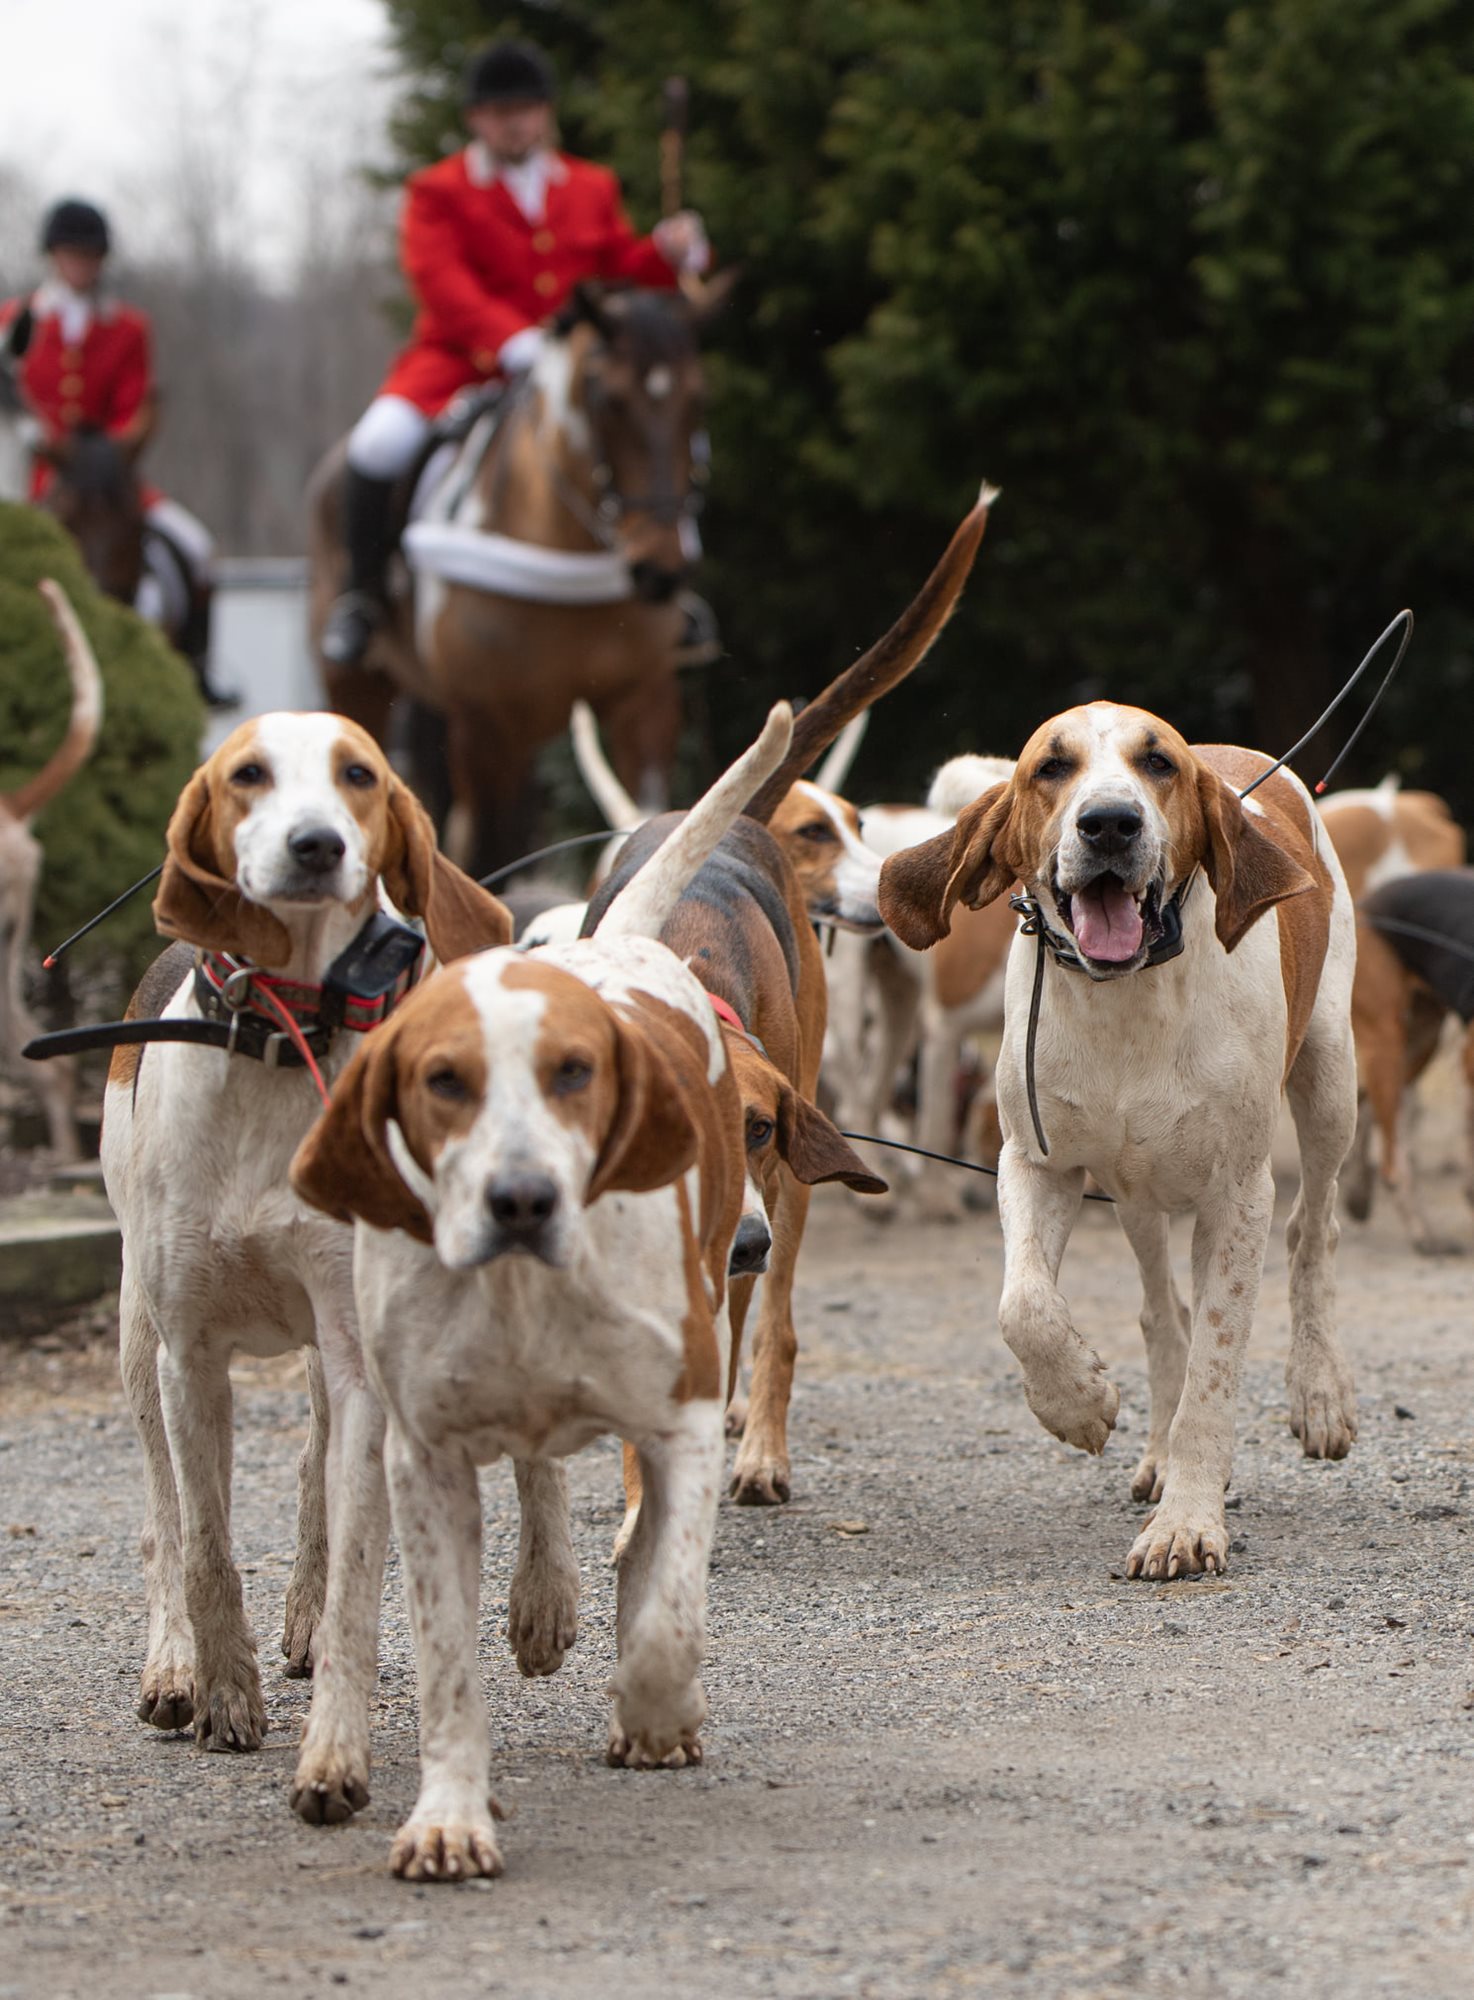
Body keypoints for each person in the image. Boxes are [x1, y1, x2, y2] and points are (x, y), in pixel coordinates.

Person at [321, 38, 712, 667]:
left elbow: (622, 265)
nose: (515, 122)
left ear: (546, 113)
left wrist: (668, 254)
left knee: (656, 434)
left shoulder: (590, 186)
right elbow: (441, 283)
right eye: (500, 112)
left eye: (526, 109)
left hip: (572, 366)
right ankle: (362, 598)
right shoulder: (435, 191)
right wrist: (511, 341)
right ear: (476, 120)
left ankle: (674, 591)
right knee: (377, 445)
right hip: (456, 364)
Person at [0, 198, 230, 703]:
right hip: (40, 477)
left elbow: (133, 402)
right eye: (71, 255)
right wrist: (36, 436)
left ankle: (197, 670)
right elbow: (12, 393)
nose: (80, 266)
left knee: (196, 548)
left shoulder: (129, 328)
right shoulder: (17, 321)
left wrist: (117, 445)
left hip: (110, 477)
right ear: (53, 258)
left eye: (89, 256)